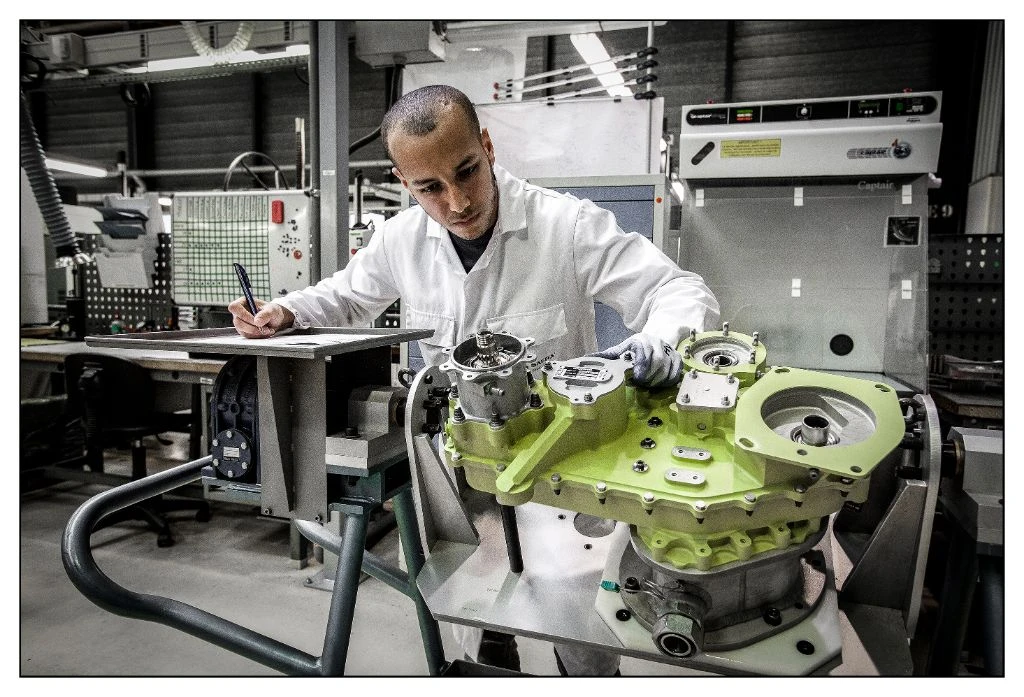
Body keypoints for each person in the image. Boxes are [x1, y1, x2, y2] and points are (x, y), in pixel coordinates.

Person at [229, 84, 720, 675]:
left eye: (467, 172)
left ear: (487, 146)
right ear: (403, 180)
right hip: (455, 476)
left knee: (579, 632)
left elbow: (680, 289)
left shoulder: (565, 225)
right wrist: (287, 311)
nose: (457, 201)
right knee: (474, 614)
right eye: (429, 187)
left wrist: (659, 339)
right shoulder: (400, 239)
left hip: (559, 474)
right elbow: (343, 297)